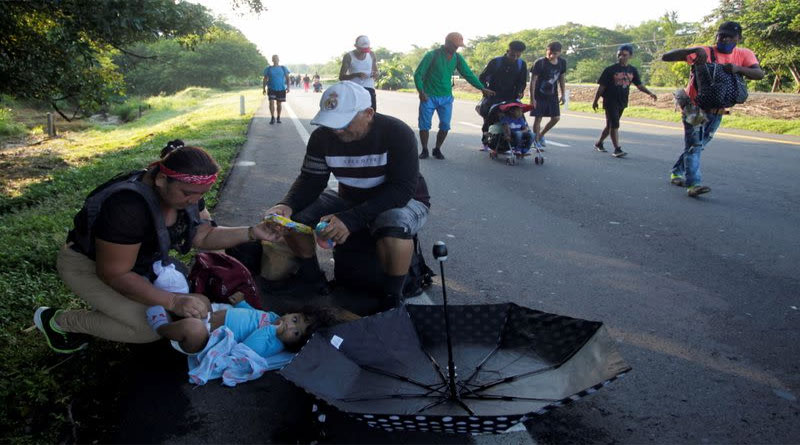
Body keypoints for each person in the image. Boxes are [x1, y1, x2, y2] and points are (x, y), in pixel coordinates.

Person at [33, 141, 277, 353]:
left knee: (180, 311)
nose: (194, 201)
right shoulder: (128, 208)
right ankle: (59, 321)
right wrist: (173, 301)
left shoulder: (187, 191)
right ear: (161, 180)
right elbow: (114, 274)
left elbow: (202, 237)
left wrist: (251, 233)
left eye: (201, 194)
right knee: (147, 329)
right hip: (87, 268)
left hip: (141, 266)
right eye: (188, 194)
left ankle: (119, 309)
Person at [262, 81, 431, 307]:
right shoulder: (322, 138)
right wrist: (287, 204)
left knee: (392, 223)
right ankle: (312, 279)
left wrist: (350, 219)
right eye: (331, 123)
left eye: (344, 122)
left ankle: (392, 297)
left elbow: (401, 189)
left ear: (368, 113)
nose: (337, 130)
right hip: (350, 196)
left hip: (404, 200)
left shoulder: (397, 133)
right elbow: (311, 180)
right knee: (293, 220)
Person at [662, 21, 763, 197]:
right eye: (720, 35)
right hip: (693, 107)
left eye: (729, 37)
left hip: (717, 110)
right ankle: (693, 184)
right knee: (694, 144)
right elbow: (666, 57)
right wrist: (690, 51)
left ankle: (677, 172)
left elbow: (759, 74)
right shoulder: (704, 51)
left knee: (699, 145)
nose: (723, 39)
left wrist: (738, 68)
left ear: (738, 38)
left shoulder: (744, 55)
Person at [146, 291, 352, 355]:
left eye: (296, 333)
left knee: (192, 328)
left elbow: (248, 349)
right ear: (292, 312)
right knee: (202, 299)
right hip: (210, 316)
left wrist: (271, 332)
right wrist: (242, 303)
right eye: (295, 319)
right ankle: (171, 299)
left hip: (205, 339)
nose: (289, 325)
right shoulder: (272, 317)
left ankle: (161, 327)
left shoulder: (273, 344)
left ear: (294, 344)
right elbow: (254, 314)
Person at [414, 32, 494, 160]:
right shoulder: (432, 55)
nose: (456, 49)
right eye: (455, 46)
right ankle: (424, 149)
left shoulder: (457, 58)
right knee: (424, 125)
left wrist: (481, 88)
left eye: (458, 47)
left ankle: (437, 149)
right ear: (447, 43)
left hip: (446, 97)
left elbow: (468, 74)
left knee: (445, 125)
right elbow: (418, 74)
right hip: (428, 96)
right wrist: (421, 92)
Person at [592, 44, 657, 158]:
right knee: (615, 124)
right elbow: (602, 87)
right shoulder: (610, 70)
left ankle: (599, 143)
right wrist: (595, 100)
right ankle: (617, 149)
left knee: (610, 125)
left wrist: (650, 93)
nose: (621, 57)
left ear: (630, 56)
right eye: (619, 54)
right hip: (610, 100)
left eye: (624, 55)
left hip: (622, 100)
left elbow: (639, 85)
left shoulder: (632, 70)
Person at [478, 40, 528, 151]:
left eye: (517, 55)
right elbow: (482, 77)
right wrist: (485, 89)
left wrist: (520, 91)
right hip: (494, 94)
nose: (514, 58)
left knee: (516, 116)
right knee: (489, 116)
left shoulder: (521, 64)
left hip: (511, 96)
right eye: (512, 54)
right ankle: (486, 141)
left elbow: (522, 82)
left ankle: (514, 142)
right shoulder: (496, 62)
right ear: (507, 51)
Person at [530, 42, 567, 149]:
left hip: (552, 95)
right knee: (538, 118)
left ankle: (541, 135)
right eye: (549, 52)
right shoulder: (540, 62)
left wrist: (563, 94)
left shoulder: (562, 62)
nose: (551, 56)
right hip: (539, 95)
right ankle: (536, 141)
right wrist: (532, 99)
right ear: (547, 50)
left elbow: (562, 78)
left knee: (556, 118)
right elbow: (533, 81)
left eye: (555, 53)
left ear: (560, 53)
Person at [339, 35, 379, 110]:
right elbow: (341, 77)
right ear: (355, 46)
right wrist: (356, 75)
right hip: (354, 89)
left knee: (371, 114)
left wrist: (375, 74)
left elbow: (376, 72)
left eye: (366, 50)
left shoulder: (371, 54)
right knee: (355, 114)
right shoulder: (348, 56)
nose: (364, 53)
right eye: (362, 50)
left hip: (369, 88)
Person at [262, 55, 291, 125]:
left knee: (279, 104)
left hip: (281, 89)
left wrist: (288, 87)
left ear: (279, 60)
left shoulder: (283, 68)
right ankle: (272, 117)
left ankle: (278, 117)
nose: (275, 60)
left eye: (276, 58)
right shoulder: (268, 68)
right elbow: (265, 79)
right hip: (271, 88)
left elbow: (287, 78)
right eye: (274, 59)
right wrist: (263, 88)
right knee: (271, 102)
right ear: (272, 60)